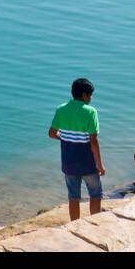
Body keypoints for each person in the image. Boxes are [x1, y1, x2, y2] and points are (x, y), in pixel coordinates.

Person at [48, 77, 105, 221]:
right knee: (95, 194)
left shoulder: (61, 109)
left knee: (73, 197)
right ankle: (96, 223)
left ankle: (74, 224)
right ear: (85, 95)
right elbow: (93, 141)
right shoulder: (91, 112)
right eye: (90, 95)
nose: (91, 98)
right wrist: (100, 165)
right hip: (87, 164)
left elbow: (52, 133)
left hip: (68, 163)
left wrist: (66, 137)